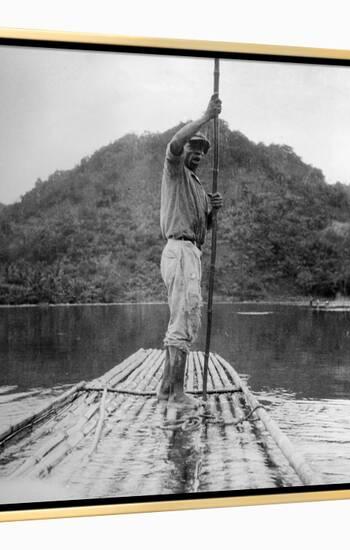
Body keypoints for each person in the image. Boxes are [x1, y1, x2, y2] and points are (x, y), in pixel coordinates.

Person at [158, 94, 223, 409]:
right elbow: (174, 141)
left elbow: (202, 231)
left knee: (183, 318)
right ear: (182, 151)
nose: (196, 152)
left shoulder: (197, 186)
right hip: (179, 252)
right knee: (183, 320)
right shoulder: (174, 170)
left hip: (190, 252)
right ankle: (177, 394)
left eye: (201, 150)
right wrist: (206, 117)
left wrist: (212, 211)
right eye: (192, 147)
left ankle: (165, 388)